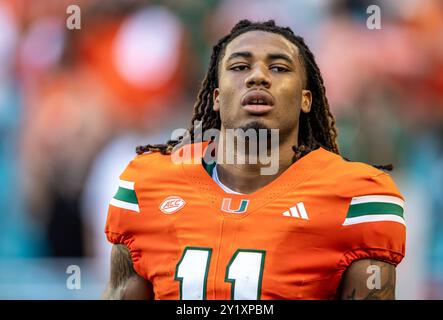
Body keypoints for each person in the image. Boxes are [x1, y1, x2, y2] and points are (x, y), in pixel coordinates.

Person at [103, 20, 406, 300]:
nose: (258, 76)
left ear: (306, 99)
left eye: (278, 68)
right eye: (239, 66)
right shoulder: (148, 184)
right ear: (217, 97)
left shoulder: (356, 195)